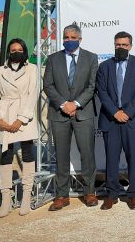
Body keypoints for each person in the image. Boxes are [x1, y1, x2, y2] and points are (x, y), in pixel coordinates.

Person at [43, 24, 99, 211]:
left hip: (83, 113)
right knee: (61, 155)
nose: (68, 40)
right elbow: (48, 85)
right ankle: (61, 195)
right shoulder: (52, 59)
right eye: (66, 37)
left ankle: (89, 192)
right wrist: (63, 105)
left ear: (80, 39)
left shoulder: (91, 58)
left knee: (88, 154)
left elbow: (92, 86)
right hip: (59, 114)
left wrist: (75, 104)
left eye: (72, 37)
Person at [96, 31, 135, 210]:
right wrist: (115, 112)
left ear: (131, 46)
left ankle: (133, 194)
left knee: (133, 158)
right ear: (114, 45)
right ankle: (112, 194)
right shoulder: (104, 66)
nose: (121, 47)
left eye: (124, 45)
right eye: (118, 44)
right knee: (111, 158)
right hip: (110, 120)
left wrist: (127, 112)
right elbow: (101, 92)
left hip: (132, 119)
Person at [0, 38, 39, 217]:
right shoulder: (1, 71)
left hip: (24, 117)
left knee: (27, 153)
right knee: (5, 156)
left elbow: (33, 94)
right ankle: (6, 198)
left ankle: (26, 195)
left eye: (19, 49)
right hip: (5, 117)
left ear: (24, 51)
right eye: (12, 50)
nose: (16, 52)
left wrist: (21, 119)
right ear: (8, 52)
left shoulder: (32, 69)